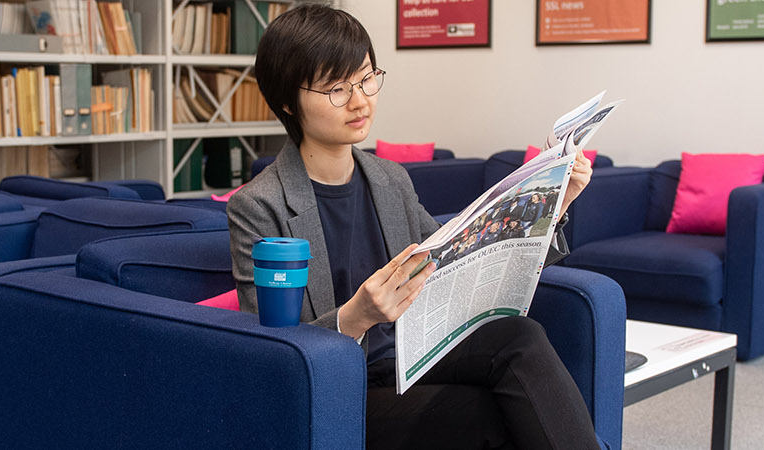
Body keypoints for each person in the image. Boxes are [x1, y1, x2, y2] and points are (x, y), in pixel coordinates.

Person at [224, 5, 601, 450]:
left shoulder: (389, 179)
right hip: (347, 385)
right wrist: (355, 316)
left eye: (366, 79)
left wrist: (554, 203)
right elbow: (267, 354)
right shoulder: (257, 205)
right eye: (336, 89)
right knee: (494, 415)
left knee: (519, 337)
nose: (360, 100)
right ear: (287, 100)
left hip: (411, 358)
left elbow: (448, 261)